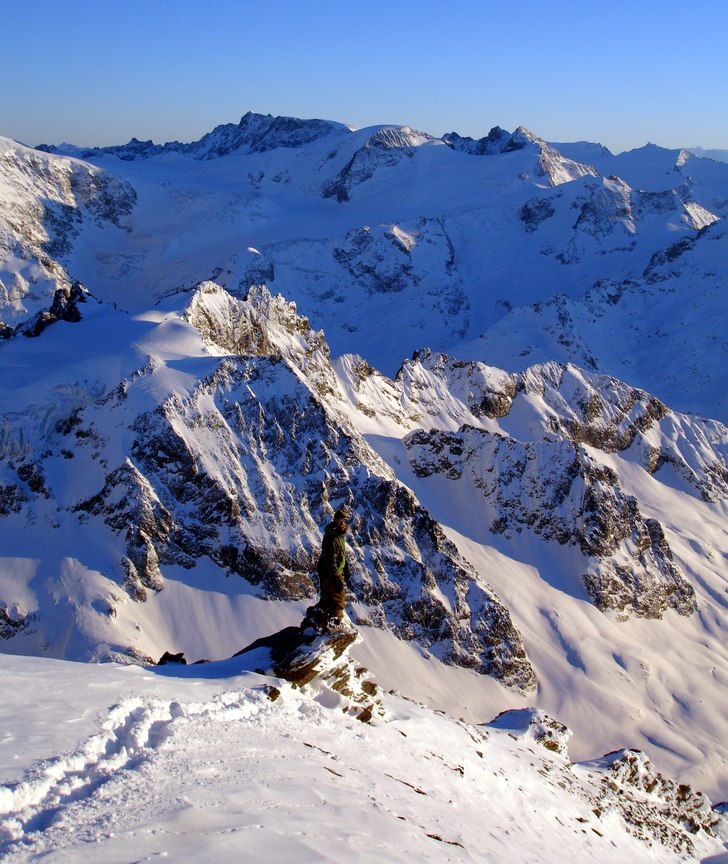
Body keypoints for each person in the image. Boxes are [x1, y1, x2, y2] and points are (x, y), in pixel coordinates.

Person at [306, 507, 351, 633]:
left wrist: (346, 568)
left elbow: (340, 554)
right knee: (338, 598)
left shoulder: (338, 535)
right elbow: (330, 558)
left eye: (345, 521)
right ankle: (334, 623)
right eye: (341, 521)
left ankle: (320, 621)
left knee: (326, 598)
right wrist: (336, 577)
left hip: (327, 572)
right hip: (330, 573)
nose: (344, 523)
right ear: (335, 521)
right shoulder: (332, 537)